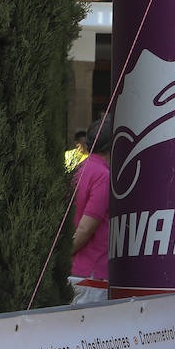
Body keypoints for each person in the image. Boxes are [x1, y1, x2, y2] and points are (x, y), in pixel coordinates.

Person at [70, 117, 113, 305]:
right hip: (91, 278)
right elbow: (85, 230)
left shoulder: (79, 169)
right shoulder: (103, 176)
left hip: (76, 274)